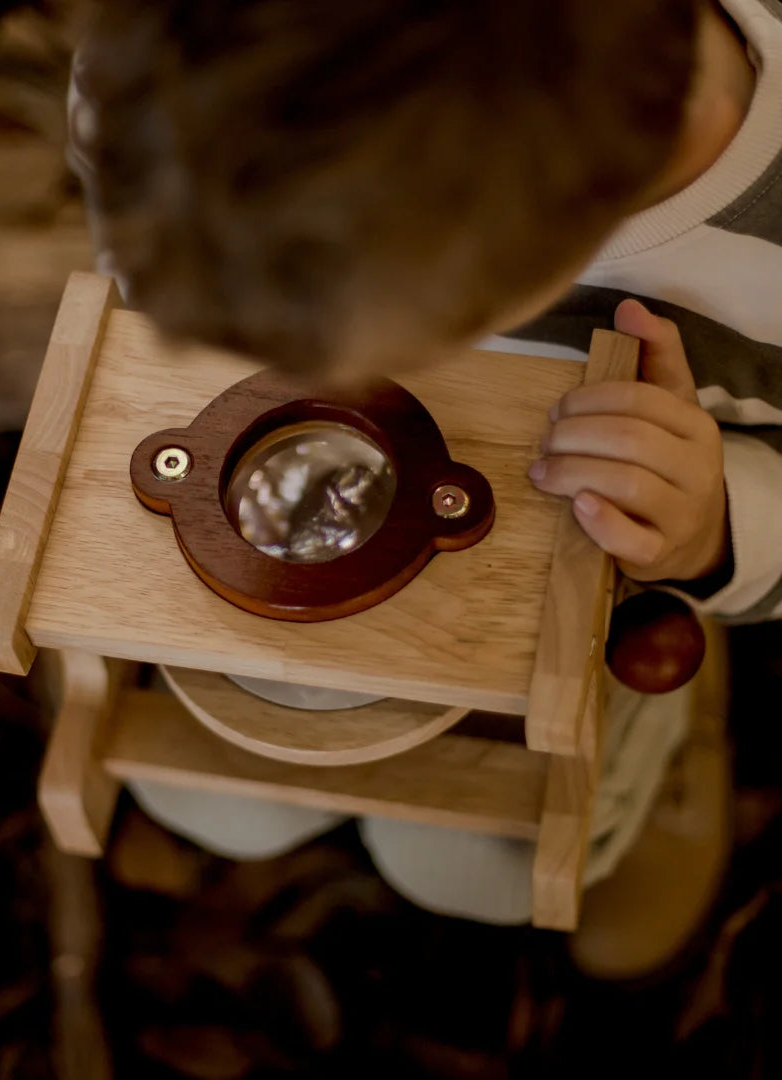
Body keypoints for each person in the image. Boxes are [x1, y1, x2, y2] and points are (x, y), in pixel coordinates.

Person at [66, 0, 782, 976]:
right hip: (293, 520)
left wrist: (710, 527)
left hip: (597, 546)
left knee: (476, 866)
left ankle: (662, 746)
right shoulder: (193, 69)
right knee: (215, 796)